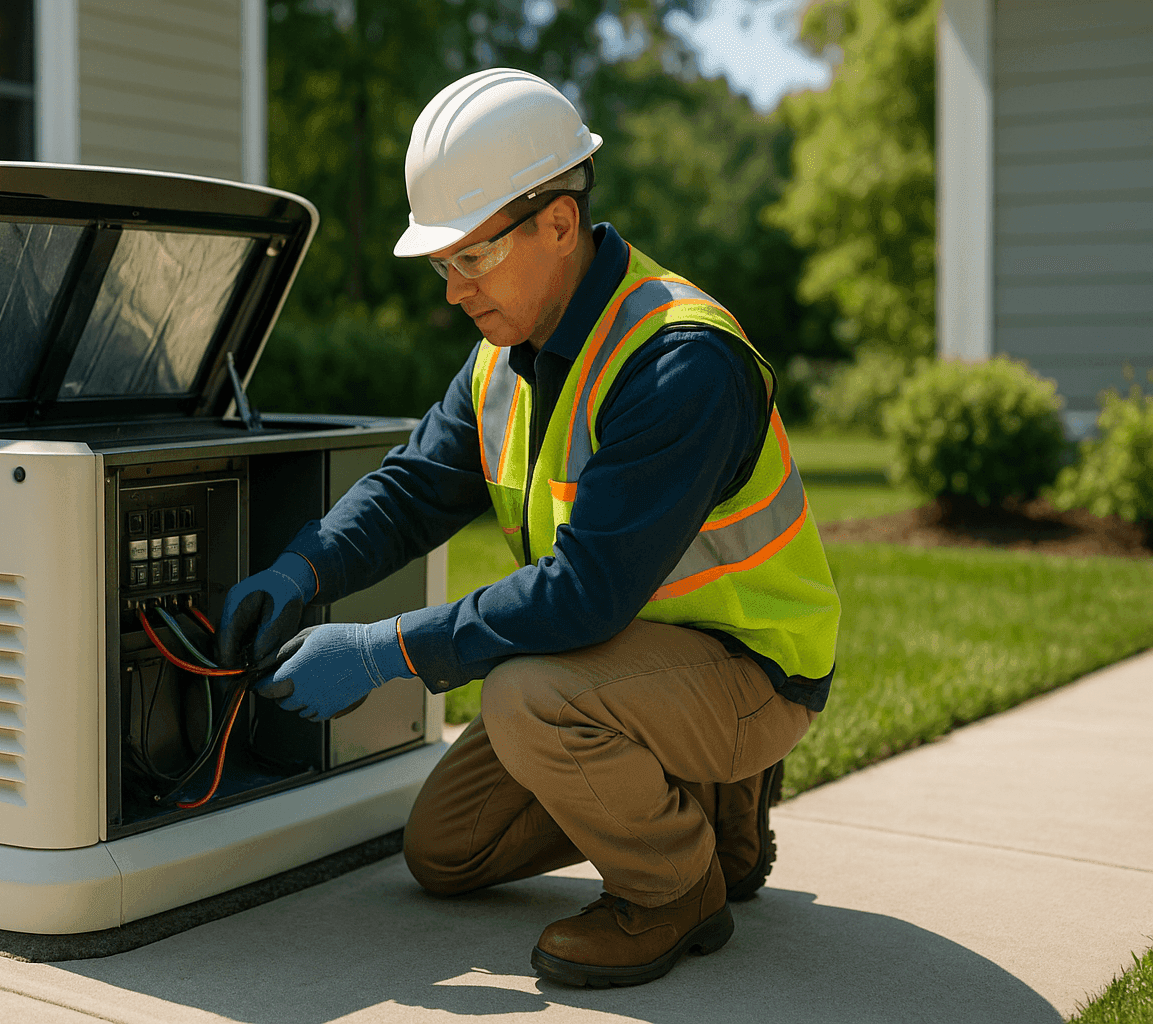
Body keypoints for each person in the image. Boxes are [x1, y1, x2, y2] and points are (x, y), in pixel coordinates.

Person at [217, 67, 840, 988]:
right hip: (630, 660)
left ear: (557, 222)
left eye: (471, 258)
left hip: (752, 669)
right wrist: (300, 571)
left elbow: (585, 595)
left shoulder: (679, 361)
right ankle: (708, 809)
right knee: (446, 852)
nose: (451, 291)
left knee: (525, 699)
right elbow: (412, 489)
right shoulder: (503, 359)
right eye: (442, 264)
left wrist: (386, 651)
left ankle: (675, 893)